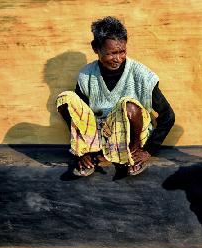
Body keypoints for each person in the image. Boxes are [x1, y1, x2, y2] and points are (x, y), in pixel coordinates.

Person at [56, 16, 175, 177]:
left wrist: (148, 150)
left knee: (129, 105)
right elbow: (80, 118)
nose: (118, 58)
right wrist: (83, 149)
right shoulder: (86, 74)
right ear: (95, 48)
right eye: (111, 53)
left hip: (131, 137)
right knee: (66, 99)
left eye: (122, 51)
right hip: (100, 136)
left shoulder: (141, 75)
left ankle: (132, 155)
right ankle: (87, 154)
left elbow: (168, 116)